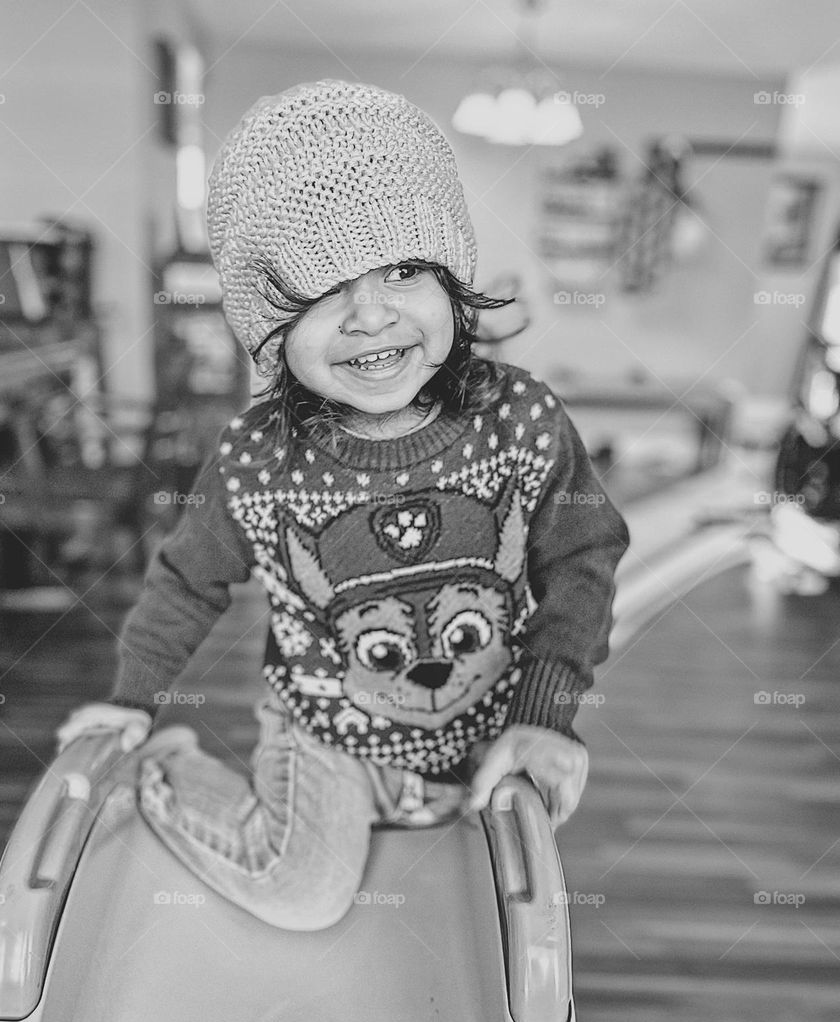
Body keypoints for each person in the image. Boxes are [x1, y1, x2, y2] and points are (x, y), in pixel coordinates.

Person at [56, 79, 629, 930]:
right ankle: (162, 774)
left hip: (482, 725)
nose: (370, 315)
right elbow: (187, 580)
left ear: (452, 280)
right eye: (322, 288)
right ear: (268, 322)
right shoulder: (258, 454)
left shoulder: (521, 419)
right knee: (304, 894)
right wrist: (136, 701)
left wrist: (546, 717)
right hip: (326, 736)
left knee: (493, 908)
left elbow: (583, 557)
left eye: (403, 270)